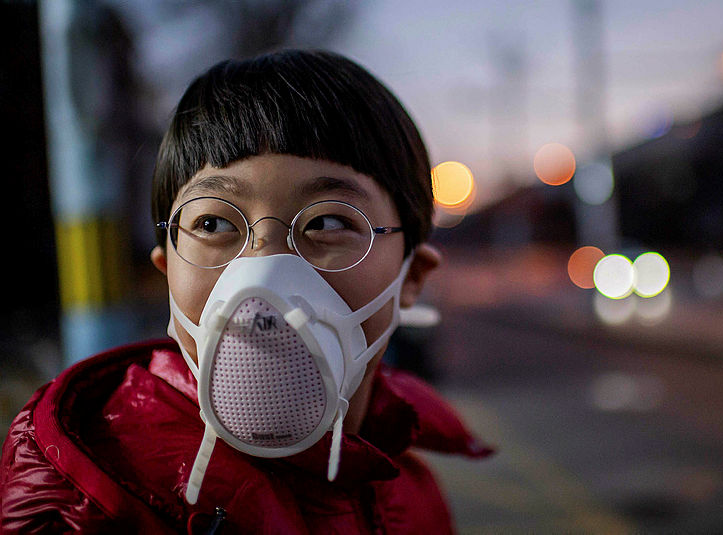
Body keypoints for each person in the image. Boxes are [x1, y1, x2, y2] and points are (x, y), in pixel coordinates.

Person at [0, 49, 491, 533]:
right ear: (166, 269)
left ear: (413, 277)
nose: (262, 272)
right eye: (212, 222)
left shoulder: (409, 496)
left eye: (327, 221)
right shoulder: (85, 505)